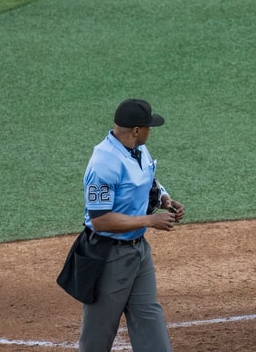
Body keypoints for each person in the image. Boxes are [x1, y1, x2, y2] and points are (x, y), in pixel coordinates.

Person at [80, 98, 185, 352]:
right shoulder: (103, 163)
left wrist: (163, 198)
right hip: (108, 256)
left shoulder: (136, 148)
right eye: (148, 126)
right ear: (137, 130)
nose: (151, 130)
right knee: (97, 335)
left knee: (150, 322)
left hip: (139, 252)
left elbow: (146, 177)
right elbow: (100, 219)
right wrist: (150, 220)